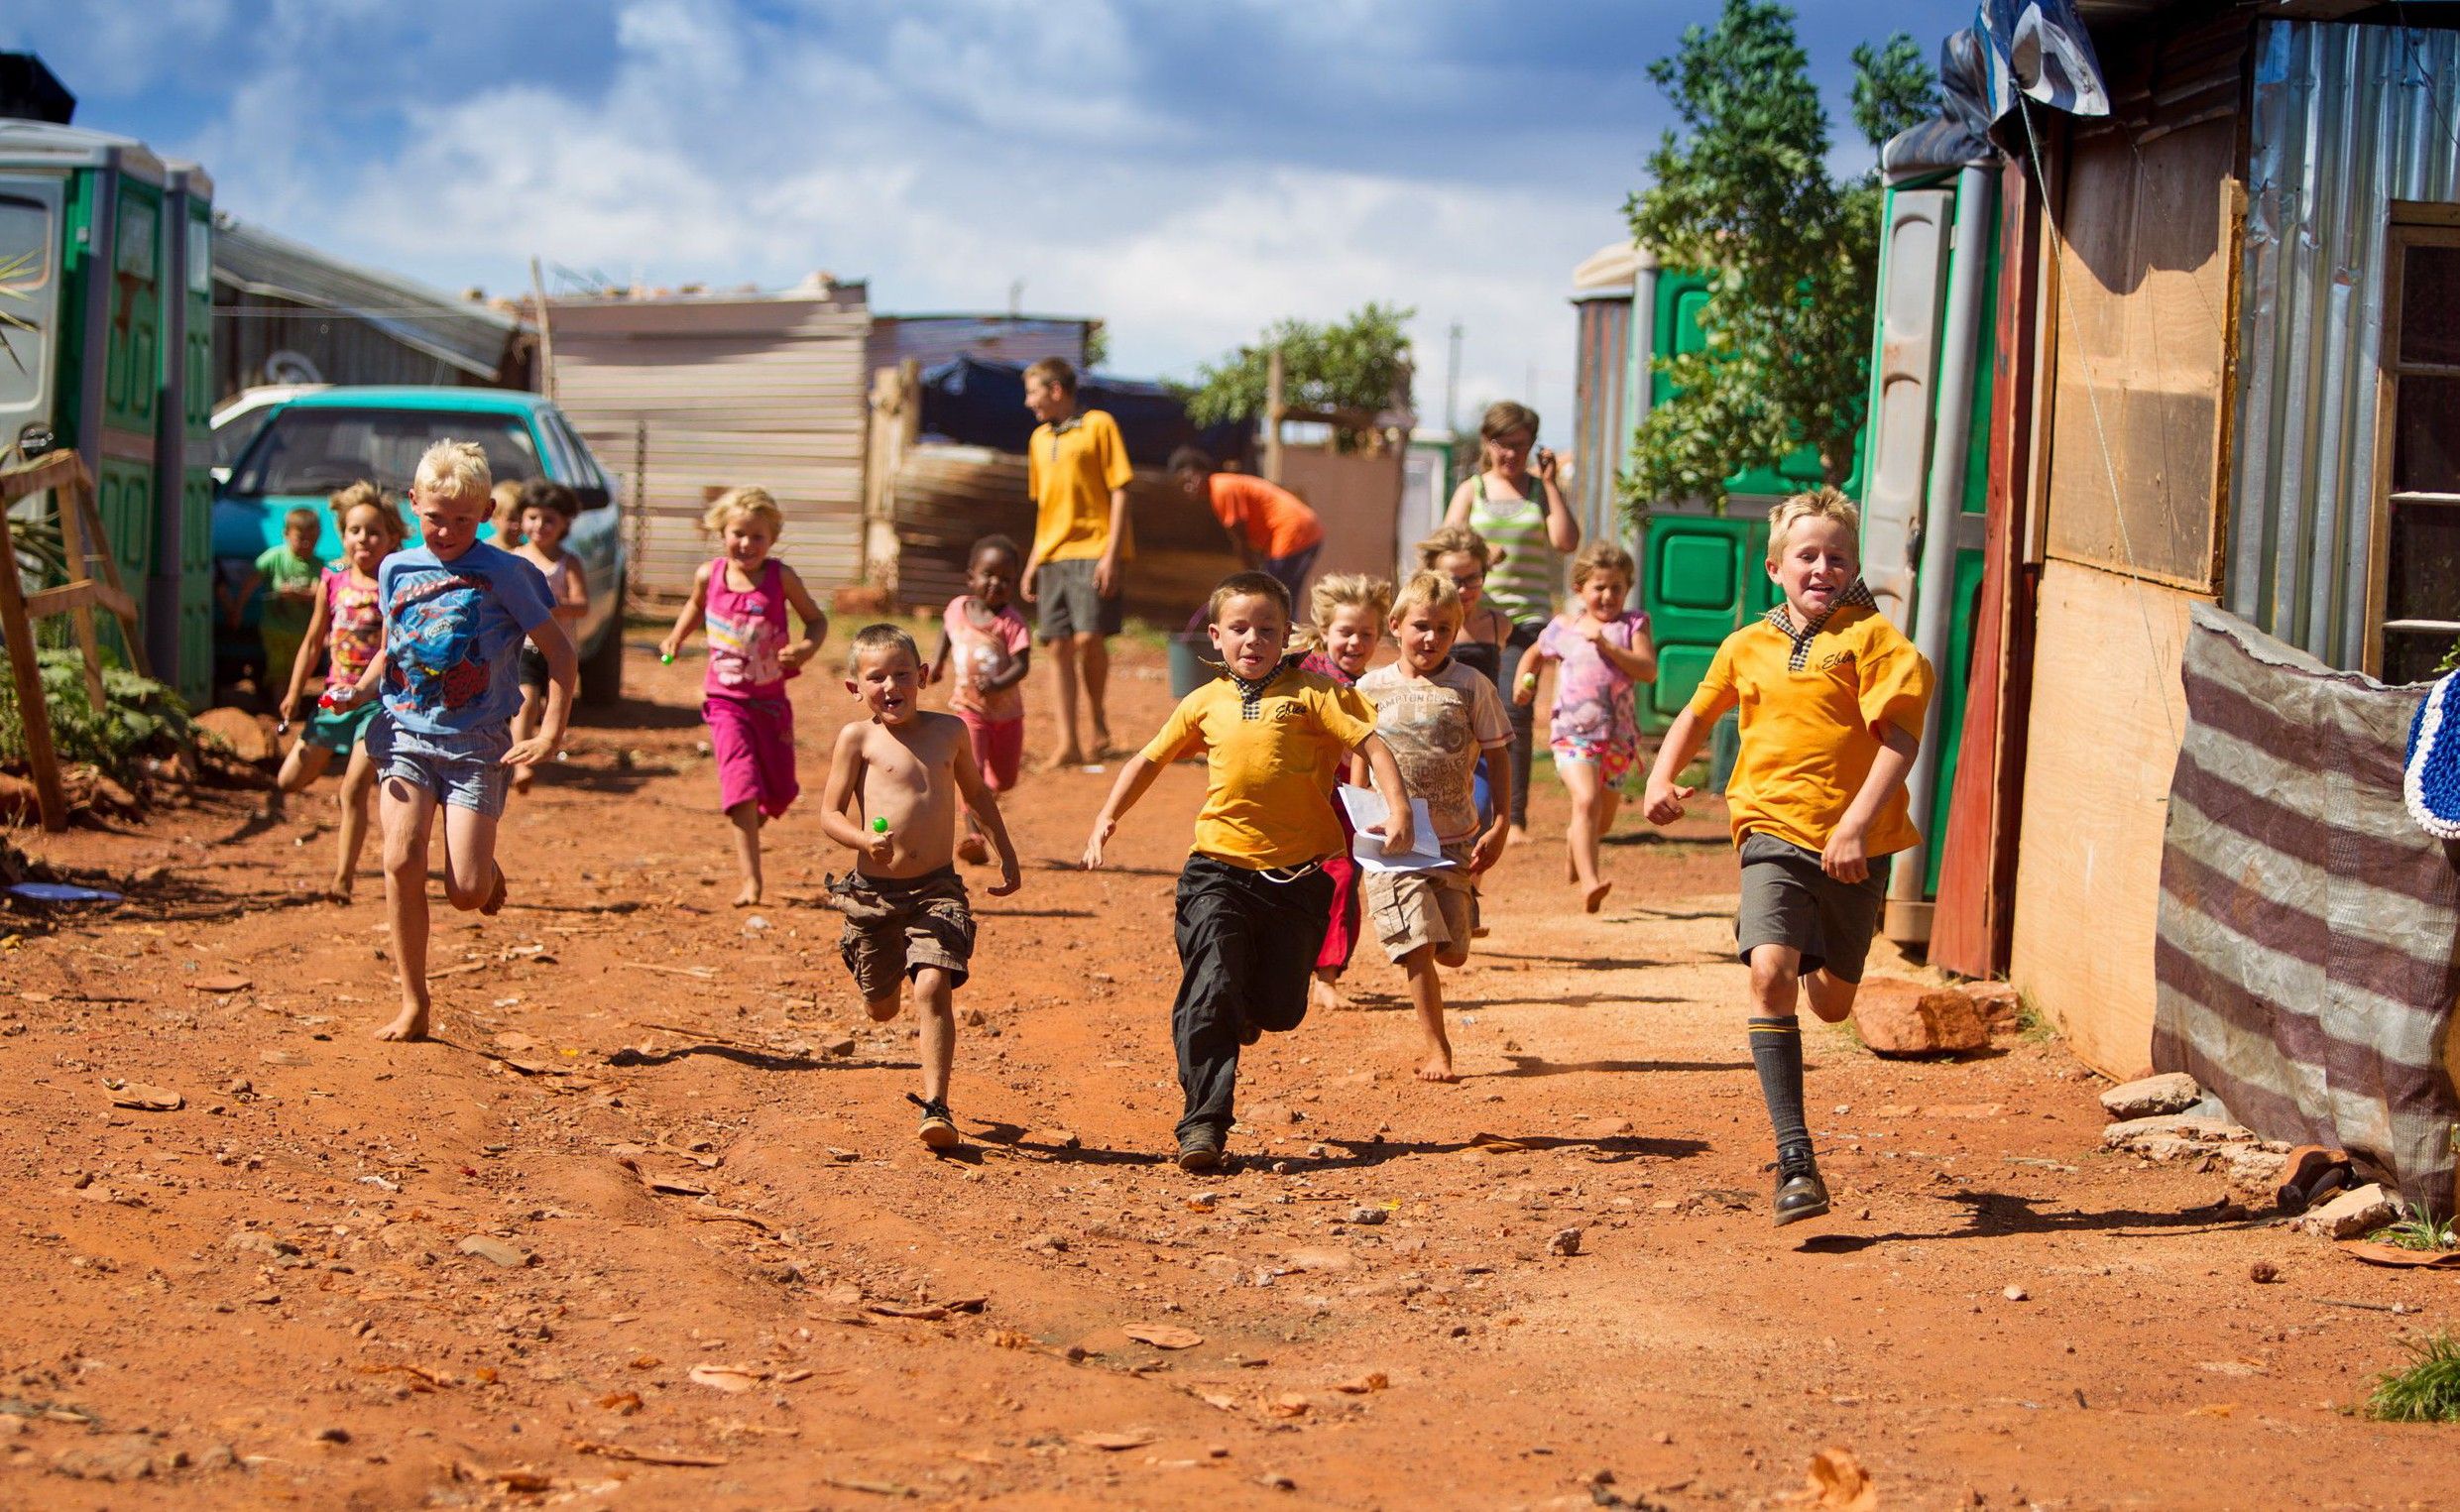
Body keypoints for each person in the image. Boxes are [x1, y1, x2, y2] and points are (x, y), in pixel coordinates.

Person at [1641, 489, 1933, 1226]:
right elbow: (1695, 713)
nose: (1822, 567)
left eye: (1837, 556)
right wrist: (1658, 775)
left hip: (1854, 844)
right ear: (1775, 566)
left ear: (1854, 564)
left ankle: (1824, 957)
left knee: (1831, 1003)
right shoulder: (1744, 644)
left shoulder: (1875, 642)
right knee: (1769, 970)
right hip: (1770, 830)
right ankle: (1796, 1160)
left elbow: (1900, 739)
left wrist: (1856, 826)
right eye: (1807, 555)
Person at [1082, 570, 1413, 1172]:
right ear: (1215, 635)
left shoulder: (1316, 693)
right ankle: (1203, 1123)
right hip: (1217, 871)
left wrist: (1398, 808)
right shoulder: (1204, 700)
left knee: (1280, 1008)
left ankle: (1246, 1009)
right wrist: (1107, 815)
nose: (1253, 640)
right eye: (1239, 629)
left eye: (1267, 629)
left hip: (1297, 880)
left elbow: (1371, 746)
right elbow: (1148, 759)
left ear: (1288, 635)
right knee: (1208, 986)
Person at [323, 440, 575, 1044]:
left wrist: (549, 731)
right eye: (435, 516)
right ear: (413, 505)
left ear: (487, 511)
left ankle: (482, 868)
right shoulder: (396, 568)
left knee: (465, 892)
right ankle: (415, 1001)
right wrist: (358, 690)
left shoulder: (510, 574)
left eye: (463, 519)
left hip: (476, 746)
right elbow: (396, 645)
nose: (446, 530)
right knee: (401, 860)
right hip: (405, 734)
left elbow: (562, 654)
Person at [819, 625, 1021, 1150]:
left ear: (924, 677)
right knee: (883, 1006)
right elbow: (828, 814)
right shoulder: (857, 739)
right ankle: (873, 977)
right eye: (876, 677)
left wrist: (1006, 852)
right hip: (874, 894)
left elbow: (977, 794)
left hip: (937, 889)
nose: (891, 685)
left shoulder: (950, 732)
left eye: (902, 674)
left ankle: (937, 1106)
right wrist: (862, 838)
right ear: (855, 687)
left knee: (932, 985)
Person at [1354, 571, 1512, 1082]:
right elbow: (1359, 755)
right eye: (1421, 626)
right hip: (1390, 843)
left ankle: (1465, 906)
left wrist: (1503, 821)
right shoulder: (1370, 687)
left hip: (1455, 838)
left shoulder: (1471, 687)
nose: (1431, 638)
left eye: (1445, 629)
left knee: (1453, 953)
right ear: (1395, 625)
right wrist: (1358, 817)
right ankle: (1437, 1048)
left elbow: (1498, 754)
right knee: (1417, 943)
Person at [658, 487, 831, 907]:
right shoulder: (710, 574)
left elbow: (816, 620)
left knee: (780, 789)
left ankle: (750, 822)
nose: (746, 544)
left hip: (771, 701)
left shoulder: (780, 577)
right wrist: (675, 639)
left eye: (757, 536)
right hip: (724, 700)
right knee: (741, 784)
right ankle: (752, 881)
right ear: (721, 531)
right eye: (738, 533)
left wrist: (807, 648)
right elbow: (695, 607)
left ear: (771, 539)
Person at [1443, 402, 1580, 843]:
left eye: (1520, 445)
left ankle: (1513, 817)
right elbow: (1444, 546)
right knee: (1459, 710)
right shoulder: (1472, 491)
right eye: (1502, 444)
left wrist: (1553, 485)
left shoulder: (1541, 492)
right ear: (1488, 443)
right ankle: (1460, 805)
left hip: (1526, 620)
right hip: (1474, 619)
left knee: (1514, 712)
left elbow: (1565, 541)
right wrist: (1480, 560)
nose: (1510, 455)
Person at [273, 482, 404, 899]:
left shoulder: (396, 583)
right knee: (287, 781)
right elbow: (314, 640)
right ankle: (326, 753)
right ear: (343, 534)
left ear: (392, 538)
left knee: (352, 790)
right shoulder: (332, 579)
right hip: (333, 699)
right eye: (354, 530)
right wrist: (295, 691)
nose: (363, 539)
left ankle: (342, 880)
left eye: (374, 532)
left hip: (377, 704)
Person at [1518, 541, 1656, 914]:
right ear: (1580, 589)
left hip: (1617, 737)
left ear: (1627, 588)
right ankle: (1591, 883)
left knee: (1602, 821)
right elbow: (1534, 654)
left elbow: (1647, 670)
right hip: (1573, 733)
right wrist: (1524, 683)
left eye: (1616, 587)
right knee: (1586, 800)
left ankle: (1575, 843)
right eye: (1599, 587)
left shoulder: (1633, 625)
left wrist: (1610, 648)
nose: (1608, 595)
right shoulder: (1565, 626)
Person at [1018, 357, 1132, 769]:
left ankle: (1098, 720)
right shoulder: (1037, 440)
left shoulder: (1100, 425)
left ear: (1055, 390)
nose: (1029, 403)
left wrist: (1111, 554)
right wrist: (1033, 561)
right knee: (1058, 647)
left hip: (1094, 549)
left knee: (1088, 639)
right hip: (1052, 554)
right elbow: (1044, 510)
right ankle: (1067, 743)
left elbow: (1120, 490)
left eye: (1033, 392)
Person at [1293, 573, 1391, 1014]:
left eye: (1366, 634)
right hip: (1294, 800)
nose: (1354, 642)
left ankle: (1327, 977)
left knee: (1342, 880)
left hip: (1345, 805)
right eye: (1345, 632)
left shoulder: (1371, 689)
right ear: (1324, 632)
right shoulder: (1299, 674)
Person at [926, 534, 1032, 867]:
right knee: (972, 772)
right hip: (968, 710)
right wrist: (937, 663)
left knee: (1004, 779)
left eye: (1006, 579)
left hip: (1006, 714)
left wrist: (998, 683)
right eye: (988, 574)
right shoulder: (958, 609)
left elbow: (1023, 664)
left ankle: (985, 803)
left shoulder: (1012, 623)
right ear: (970, 576)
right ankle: (973, 835)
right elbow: (946, 632)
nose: (996, 583)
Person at [508, 479, 590, 796]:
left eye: (549, 519)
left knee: (552, 704)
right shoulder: (514, 559)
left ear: (564, 523)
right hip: (524, 646)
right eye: (533, 517)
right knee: (526, 702)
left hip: (560, 650)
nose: (540, 525)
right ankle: (520, 763)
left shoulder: (567, 563)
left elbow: (582, 605)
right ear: (522, 519)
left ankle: (542, 746)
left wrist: (544, 608)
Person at [1169, 446, 1325, 606]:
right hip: (1306, 530)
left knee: (1273, 599)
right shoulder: (1222, 487)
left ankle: (1284, 628)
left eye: (1190, 479)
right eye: (1183, 485)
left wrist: (1252, 575)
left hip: (1293, 532)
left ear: (1201, 471)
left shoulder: (1222, 489)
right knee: (1284, 597)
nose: (1189, 487)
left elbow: (1240, 538)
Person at [223, 506, 323, 696]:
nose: (305, 545)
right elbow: (250, 582)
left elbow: (319, 593)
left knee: (297, 669)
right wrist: (237, 609)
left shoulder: (317, 564)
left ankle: (292, 703)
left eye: (311, 540)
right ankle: (278, 704)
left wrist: (298, 594)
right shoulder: (274, 557)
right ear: (286, 534)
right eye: (300, 539)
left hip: (302, 630)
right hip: (275, 627)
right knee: (278, 668)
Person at [489, 480, 527, 549]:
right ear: (494, 517)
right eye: (511, 519)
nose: (517, 526)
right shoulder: (485, 552)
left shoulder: (528, 553)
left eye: (522, 519)